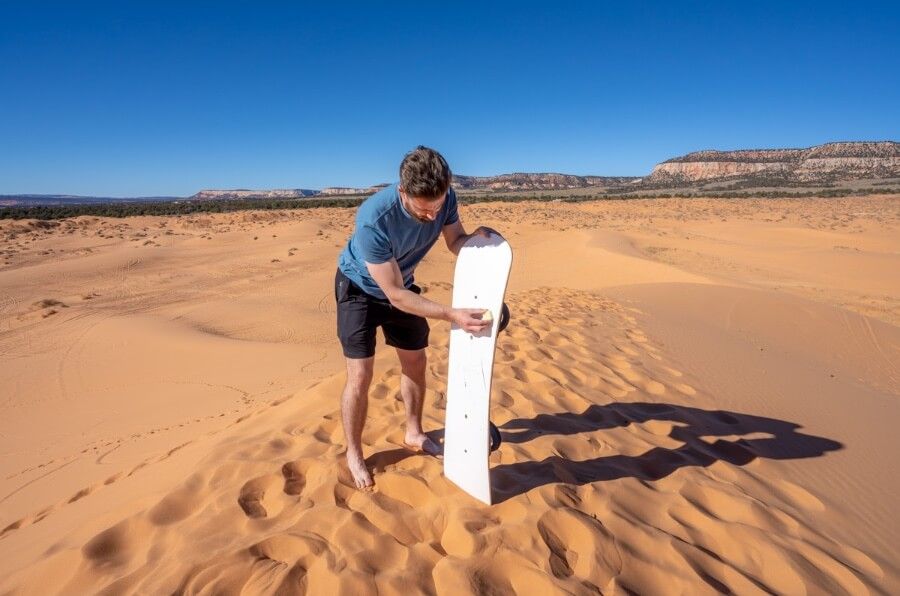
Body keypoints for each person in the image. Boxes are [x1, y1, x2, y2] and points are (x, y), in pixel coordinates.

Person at [335, 146, 496, 489]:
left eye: (437, 207)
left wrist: (475, 242)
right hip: (360, 290)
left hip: (402, 284)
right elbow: (394, 295)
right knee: (361, 375)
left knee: (416, 363)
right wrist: (450, 314)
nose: (432, 215)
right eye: (424, 210)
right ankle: (354, 452)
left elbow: (454, 241)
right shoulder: (373, 220)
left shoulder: (444, 198)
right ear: (403, 192)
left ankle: (414, 432)